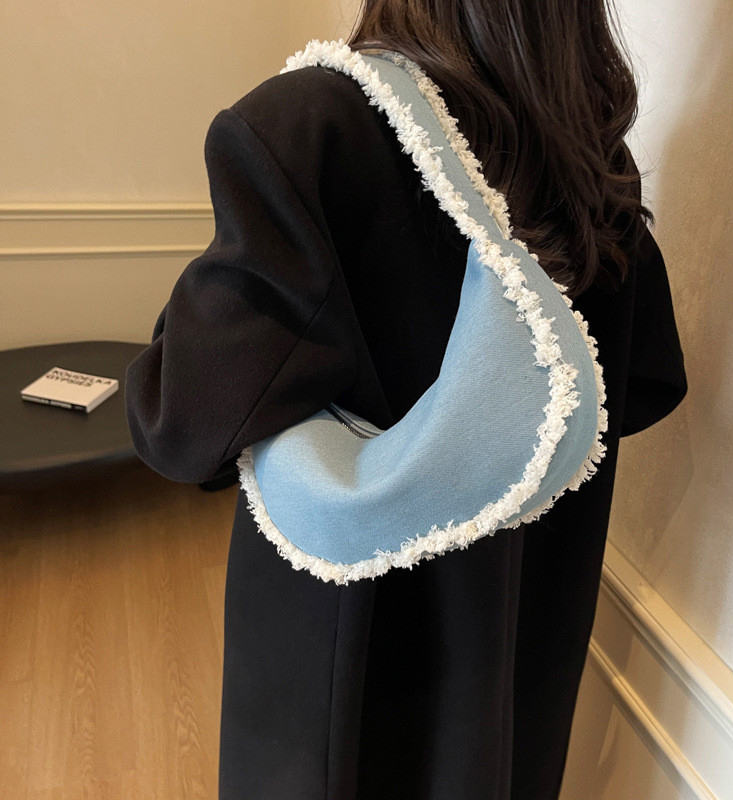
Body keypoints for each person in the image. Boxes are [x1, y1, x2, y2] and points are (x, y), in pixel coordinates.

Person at [125, 1, 688, 798]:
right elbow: (644, 387)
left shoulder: (313, 128)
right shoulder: (593, 159)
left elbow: (180, 423)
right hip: (522, 638)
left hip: (340, 665)